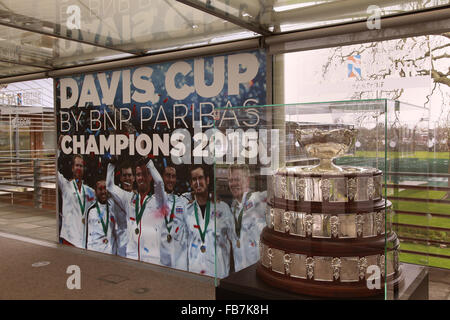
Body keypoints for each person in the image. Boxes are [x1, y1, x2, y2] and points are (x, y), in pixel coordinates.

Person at [174, 164, 234, 278]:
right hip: (194, 276)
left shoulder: (223, 208)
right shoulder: (187, 211)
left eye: (200, 178)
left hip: (218, 276)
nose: (197, 182)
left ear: (207, 180)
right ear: (191, 184)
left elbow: (233, 242)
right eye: (194, 179)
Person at [106, 157, 168, 264]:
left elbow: (159, 182)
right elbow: (110, 186)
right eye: (138, 174)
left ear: (150, 176)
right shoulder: (129, 199)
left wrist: (149, 163)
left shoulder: (158, 201)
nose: (141, 178)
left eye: (144, 174)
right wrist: (111, 165)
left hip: (151, 259)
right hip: (131, 258)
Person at [228, 164, 267, 272]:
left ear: (247, 180)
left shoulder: (258, 199)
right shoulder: (233, 209)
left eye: (237, 179)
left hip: (260, 272)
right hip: (240, 273)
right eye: (230, 180)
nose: (233, 184)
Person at [57, 143, 95, 248]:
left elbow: (104, 196)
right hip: (69, 238)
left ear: (84, 169)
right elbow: (54, 171)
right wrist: (58, 150)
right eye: (77, 165)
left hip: (84, 239)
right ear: (73, 168)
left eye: (81, 166)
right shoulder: (66, 186)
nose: (79, 168)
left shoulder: (89, 191)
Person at [160, 161, 189, 269]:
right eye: (168, 176)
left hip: (178, 259)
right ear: (162, 177)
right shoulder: (153, 200)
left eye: (173, 177)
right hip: (160, 258)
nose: (171, 180)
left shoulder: (182, 201)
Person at [85, 176, 118, 254]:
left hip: (111, 253)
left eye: (105, 188)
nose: (103, 191)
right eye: (100, 189)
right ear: (96, 191)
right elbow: (89, 237)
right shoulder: (91, 211)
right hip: (97, 253)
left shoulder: (113, 208)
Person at [115, 161, 136, 257]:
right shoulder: (113, 197)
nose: (127, 178)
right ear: (120, 178)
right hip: (120, 247)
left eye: (129, 175)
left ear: (134, 178)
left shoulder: (139, 198)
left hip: (135, 247)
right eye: (124, 175)